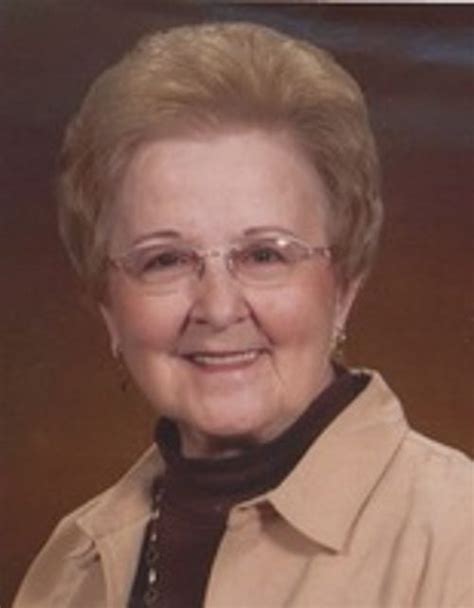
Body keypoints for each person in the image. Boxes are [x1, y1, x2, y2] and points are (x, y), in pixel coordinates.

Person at [13, 21, 472, 608]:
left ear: (344, 286)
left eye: (264, 255)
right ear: (109, 308)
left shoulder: (457, 540)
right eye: (165, 260)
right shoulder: (69, 567)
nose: (219, 308)